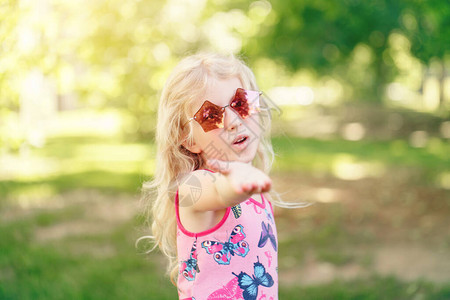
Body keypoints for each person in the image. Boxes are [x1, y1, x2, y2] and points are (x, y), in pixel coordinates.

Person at [140, 53, 306, 300]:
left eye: (241, 103)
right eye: (211, 116)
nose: (234, 121)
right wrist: (237, 180)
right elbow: (220, 191)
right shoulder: (192, 186)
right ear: (189, 139)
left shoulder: (250, 187)